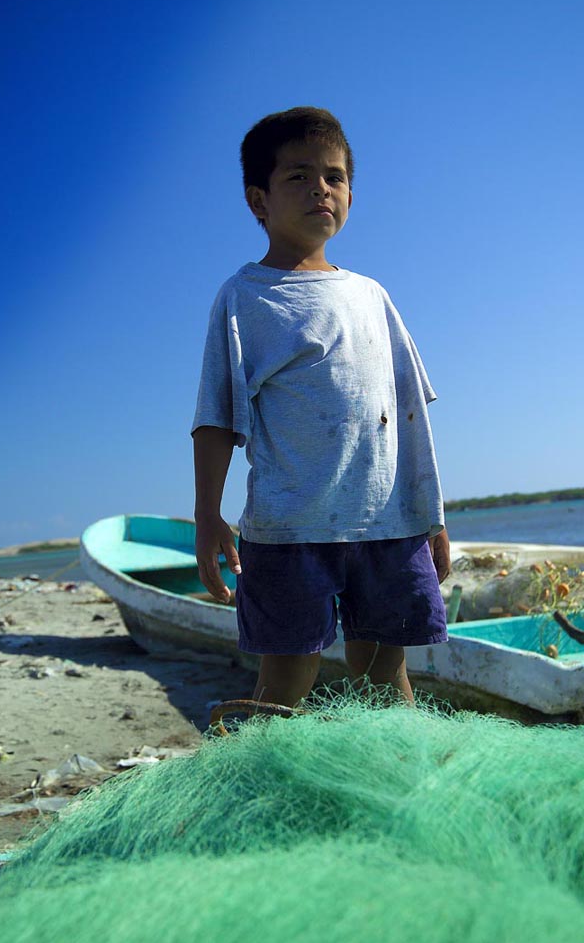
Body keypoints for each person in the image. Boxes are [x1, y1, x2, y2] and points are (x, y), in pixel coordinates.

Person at [191, 106, 450, 708]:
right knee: (283, 687)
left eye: (334, 177)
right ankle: (260, 799)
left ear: (351, 195)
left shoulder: (372, 295)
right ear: (259, 199)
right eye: (299, 176)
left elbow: (408, 411)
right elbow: (217, 416)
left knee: (386, 681)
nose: (320, 189)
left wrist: (431, 515)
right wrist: (208, 515)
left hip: (388, 525)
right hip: (289, 531)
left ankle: (398, 796)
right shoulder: (245, 298)